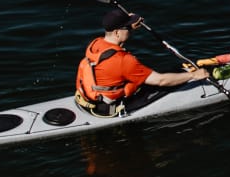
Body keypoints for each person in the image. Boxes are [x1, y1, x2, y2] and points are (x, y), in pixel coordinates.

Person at [75, 7, 209, 115]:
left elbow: (116, 38)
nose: (130, 29)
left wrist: (130, 27)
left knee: (168, 72)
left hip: (87, 101)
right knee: (167, 81)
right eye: (127, 28)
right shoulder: (124, 61)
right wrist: (194, 75)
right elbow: (161, 80)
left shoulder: (95, 44)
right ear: (117, 32)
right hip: (109, 109)